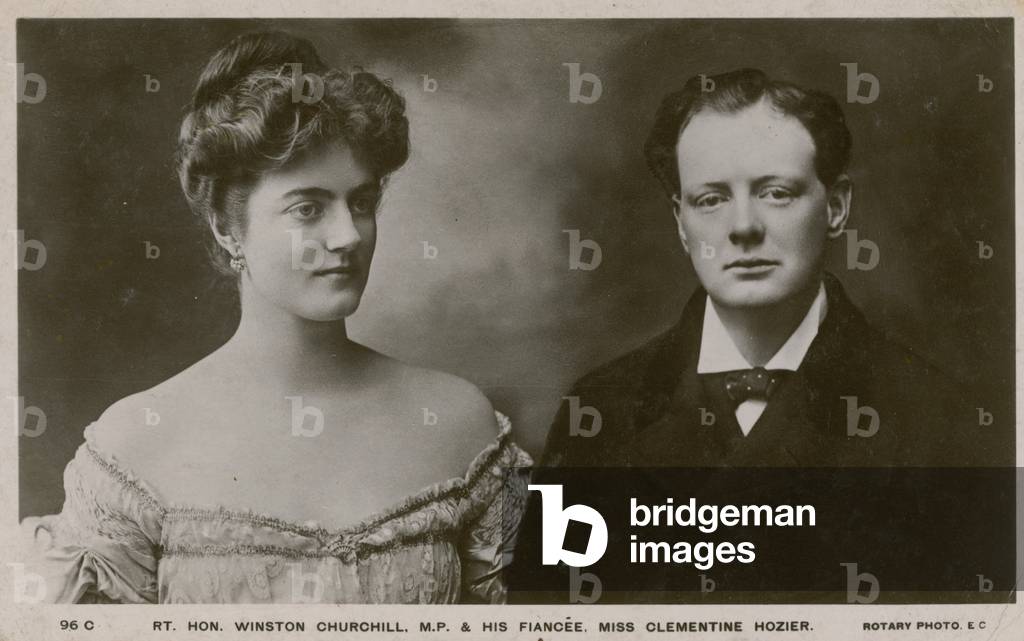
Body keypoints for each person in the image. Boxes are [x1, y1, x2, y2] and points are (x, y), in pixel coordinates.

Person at [21, 31, 531, 604]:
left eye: (360, 202)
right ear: (224, 224)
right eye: (307, 208)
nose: (346, 236)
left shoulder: (458, 425)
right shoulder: (135, 447)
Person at [538, 68, 1000, 469]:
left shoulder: (938, 416)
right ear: (681, 223)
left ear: (836, 208)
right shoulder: (600, 410)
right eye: (711, 199)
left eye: (776, 193)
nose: (743, 228)